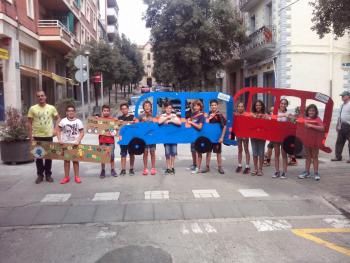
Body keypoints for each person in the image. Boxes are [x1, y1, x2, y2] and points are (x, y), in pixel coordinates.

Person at [27, 90, 60, 184]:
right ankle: (40, 175)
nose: (40, 97)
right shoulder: (32, 109)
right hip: (37, 136)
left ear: (45, 97)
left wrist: (55, 130)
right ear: (37, 98)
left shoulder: (51, 108)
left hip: (48, 135)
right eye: (38, 96)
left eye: (42, 95)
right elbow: (29, 123)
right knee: (39, 157)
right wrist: (31, 136)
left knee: (48, 156)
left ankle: (48, 175)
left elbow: (58, 118)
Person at [57, 105, 84, 184]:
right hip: (65, 144)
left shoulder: (78, 121)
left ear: (74, 112)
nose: (71, 112)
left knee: (75, 161)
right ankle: (66, 177)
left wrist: (78, 140)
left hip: (75, 144)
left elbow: (82, 132)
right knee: (66, 161)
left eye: (72, 111)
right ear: (66, 113)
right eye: (69, 111)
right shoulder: (63, 121)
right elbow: (58, 131)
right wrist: (59, 140)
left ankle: (77, 176)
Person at [298, 104, 325, 181]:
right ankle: (307, 172)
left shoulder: (317, 118)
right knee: (308, 157)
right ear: (307, 111)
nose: (311, 112)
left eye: (313, 110)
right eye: (310, 110)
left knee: (315, 157)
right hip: (307, 140)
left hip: (315, 141)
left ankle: (316, 173)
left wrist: (310, 126)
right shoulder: (305, 118)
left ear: (316, 111)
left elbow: (322, 128)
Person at [158, 102, 181, 174]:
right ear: (165, 109)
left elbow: (179, 123)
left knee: (173, 152)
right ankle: (168, 167)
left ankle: (172, 167)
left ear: (172, 109)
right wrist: (167, 118)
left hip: (174, 137)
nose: (168, 109)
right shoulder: (162, 115)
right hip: (166, 137)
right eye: (167, 108)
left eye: (170, 108)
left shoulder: (174, 115)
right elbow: (159, 122)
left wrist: (171, 120)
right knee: (167, 153)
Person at [206, 100, 226, 174]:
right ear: (210, 106)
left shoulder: (220, 115)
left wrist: (222, 137)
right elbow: (206, 125)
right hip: (209, 138)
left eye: (215, 105)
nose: (213, 106)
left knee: (218, 152)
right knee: (208, 152)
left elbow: (224, 127)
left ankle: (220, 167)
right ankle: (207, 166)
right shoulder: (208, 114)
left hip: (217, 138)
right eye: (212, 105)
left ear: (217, 106)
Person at [272, 99, 289, 179]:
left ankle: (284, 172)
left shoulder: (288, 114)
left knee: (284, 154)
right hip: (276, 135)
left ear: (286, 105)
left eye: (285, 104)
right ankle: (277, 171)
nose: (283, 105)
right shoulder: (275, 112)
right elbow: (272, 119)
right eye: (282, 103)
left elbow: (291, 123)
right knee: (276, 154)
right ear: (279, 104)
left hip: (285, 136)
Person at [98, 105, 117, 178]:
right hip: (102, 141)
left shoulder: (112, 120)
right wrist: (95, 119)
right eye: (104, 111)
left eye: (107, 111)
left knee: (111, 156)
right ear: (102, 111)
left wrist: (117, 122)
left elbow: (116, 129)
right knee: (103, 156)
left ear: (109, 111)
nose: (106, 112)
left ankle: (112, 169)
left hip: (111, 141)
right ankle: (103, 170)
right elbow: (93, 125)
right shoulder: (99, 119)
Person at [187, 100, 206, 174]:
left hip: (199, 136)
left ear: (200, 107)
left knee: (199, 152)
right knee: (193, 151)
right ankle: (194, 164)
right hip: (192, 136)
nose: (196, 107)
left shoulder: (201, 116)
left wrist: (191, 122)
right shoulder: (192, 114)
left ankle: (198, 168)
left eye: (197, 106)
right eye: (194, 105)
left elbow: (200, 127)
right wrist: (189, 120)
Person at [139, 101, 157, 175]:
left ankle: (153, 168)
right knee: (145, 152)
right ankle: (145, 168)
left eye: (148, 106)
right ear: (143, 107)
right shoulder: (140, 116)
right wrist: (141, 121)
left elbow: (157, 124)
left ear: (151, 107)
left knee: (152, 151)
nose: (147, 107)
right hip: (144, 137)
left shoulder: (154, 115)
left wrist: (151, 120)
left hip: (152, 136)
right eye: (145, 106)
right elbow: (138, 125)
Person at [331, 91, 350, 163]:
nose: (342, 97)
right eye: (342, 96)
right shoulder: (342, 105)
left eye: (343, 96)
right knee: (339, 142)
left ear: (348, 96)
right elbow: (340, 116)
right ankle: (338, 157)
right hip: (342, 125)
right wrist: (337, 125)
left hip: (349, 125)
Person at [118, 103, 136, 175]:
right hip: (123, 139)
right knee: (123, 154)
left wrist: (133, 122)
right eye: (122, 109)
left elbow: (136, 126)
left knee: (131, 154)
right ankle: (123, 169)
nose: (124, 110)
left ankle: (131, 168)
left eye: (125, 108)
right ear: (121, 110)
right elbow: (116, 128)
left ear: (128, 109)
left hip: (131, 139)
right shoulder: (119, 119)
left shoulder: (133, 117)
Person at [250, 100, 267, 176]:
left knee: (261, 153)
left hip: (262, 136)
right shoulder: (251, 114)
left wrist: (265, 118)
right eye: (256, 105)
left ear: (262, 106)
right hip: (253, 136)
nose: (258, 106)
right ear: (254, 106)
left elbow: (268, 125)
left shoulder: (265, 115)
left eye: (259, 105)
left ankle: (260, 169)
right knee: (254, 153)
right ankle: (255, 168)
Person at [235, 102, 251, 174]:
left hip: (245, 135)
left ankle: (247, 166)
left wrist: (246, 134)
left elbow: (248, 126)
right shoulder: (235, 114)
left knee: (246, 150)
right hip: (238, 135)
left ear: (244, 108)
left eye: (241, 106)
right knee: (239, 149)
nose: (240, 108)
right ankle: (239, 165)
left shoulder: (247, 115)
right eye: (239, 106)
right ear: (237, 107)